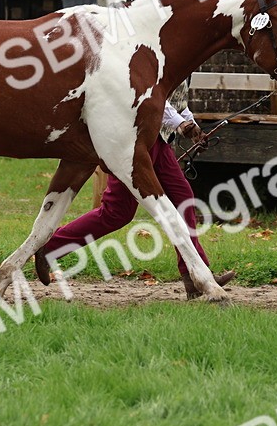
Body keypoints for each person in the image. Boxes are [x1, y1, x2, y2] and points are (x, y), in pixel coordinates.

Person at [34, 82, 236, 299]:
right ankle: (49, 247)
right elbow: (150, 96)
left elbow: (178, 103)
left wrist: (192, 126)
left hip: (158, 140)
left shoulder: (187, 62)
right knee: (116, 213)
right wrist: (181, 124)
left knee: (183, 199)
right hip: (134, 139)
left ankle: (194, 275)